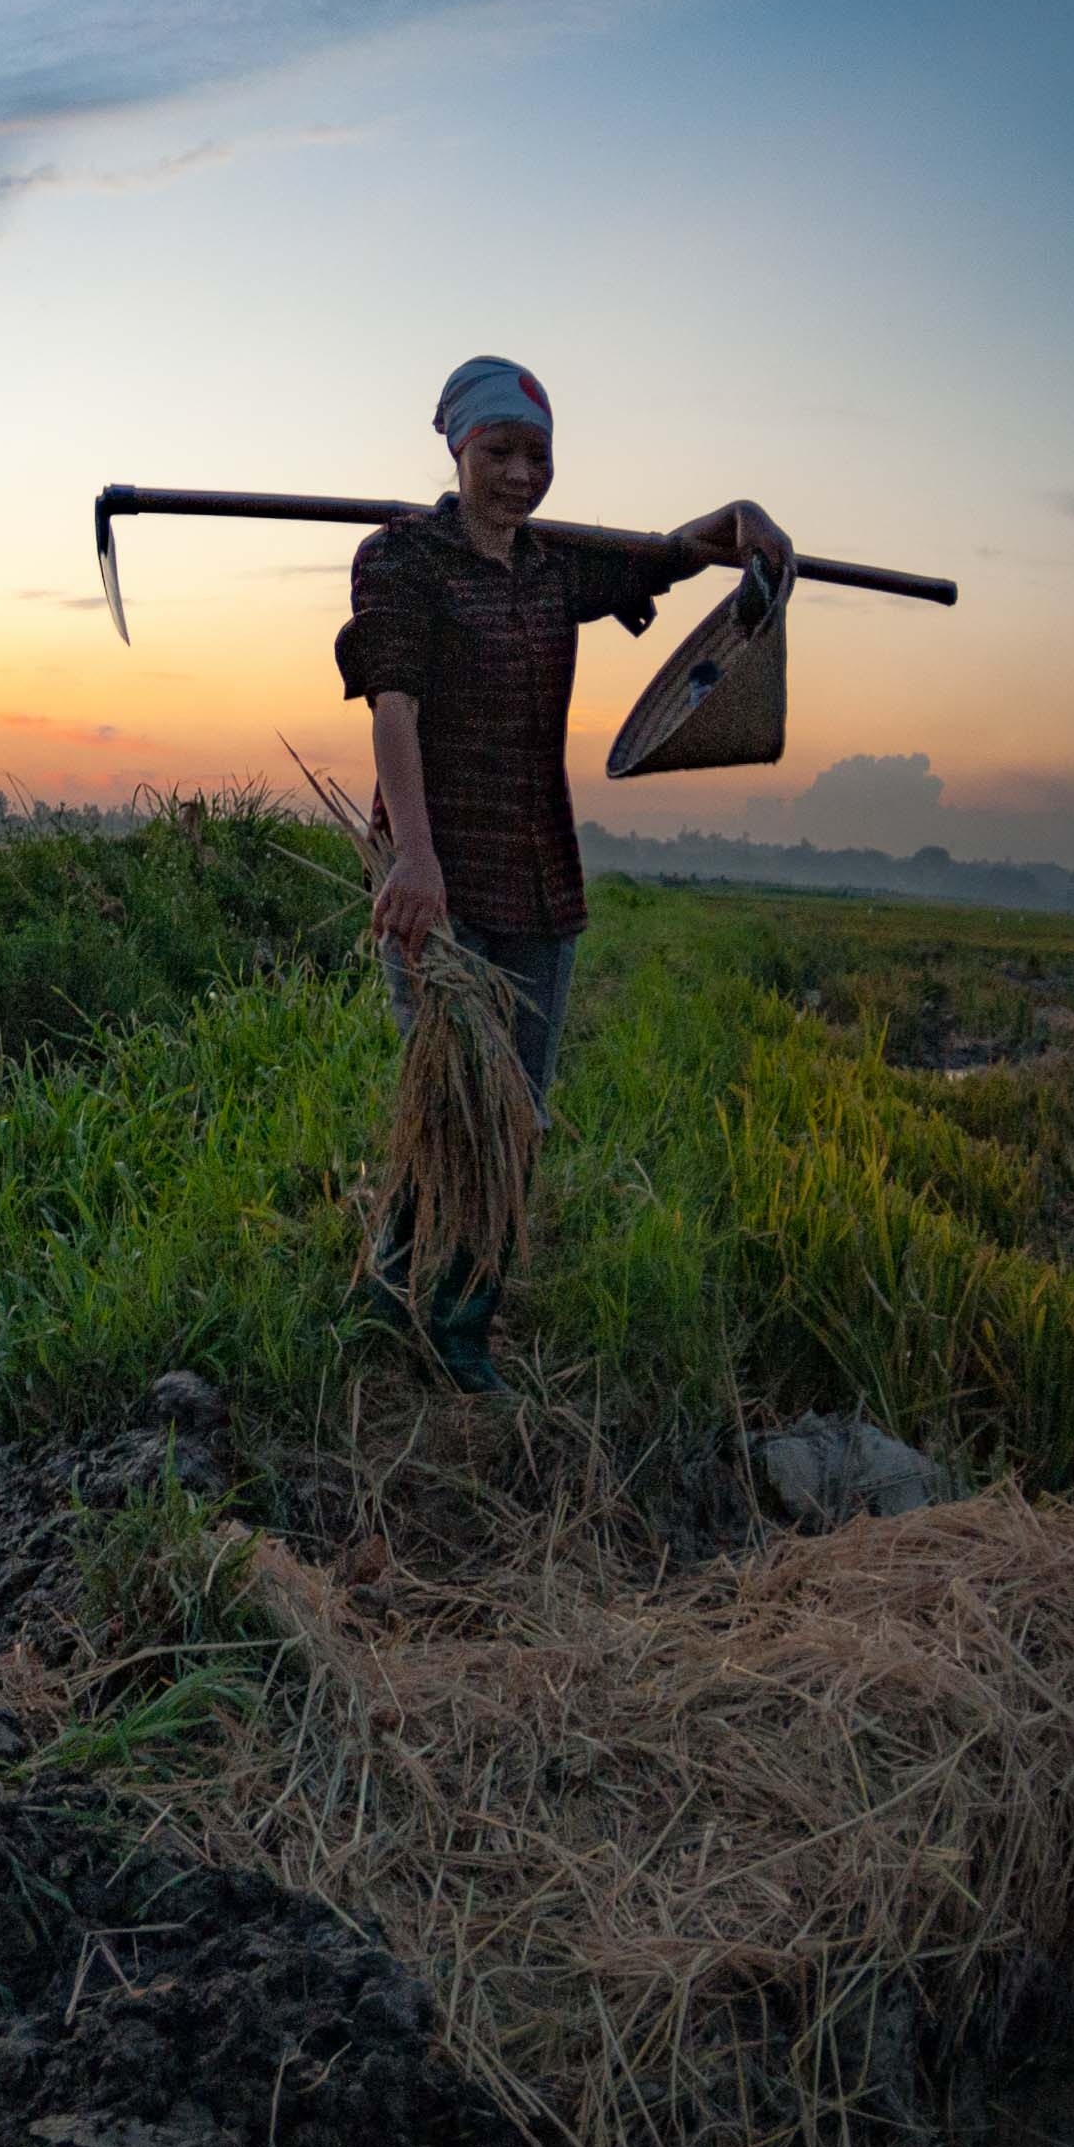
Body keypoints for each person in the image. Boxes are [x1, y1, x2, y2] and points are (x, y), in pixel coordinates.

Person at [334, 356, 792, 1390]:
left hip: (540, 877)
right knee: (465, 1102)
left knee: (514, 1109)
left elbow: (670, 557)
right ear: (455, 448)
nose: (519, 473)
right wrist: (411, 856)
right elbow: (392, 702)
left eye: (536, 453)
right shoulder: (397, 561)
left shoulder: (554, 567)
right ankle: (445, 1320)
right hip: (436, 882)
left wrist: (742, 515)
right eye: (497, 450)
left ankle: (412, 1284)